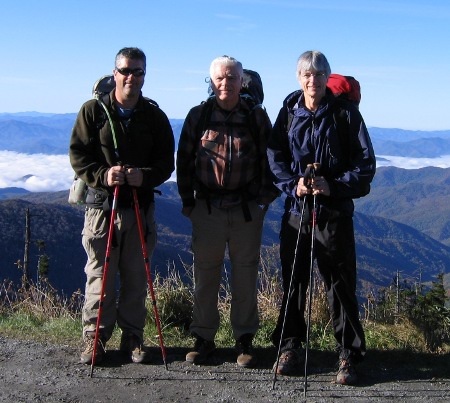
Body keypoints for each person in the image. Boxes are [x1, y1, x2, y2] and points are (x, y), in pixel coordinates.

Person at [267, 50, 376, 385]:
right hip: (297, 211)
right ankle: (289, 346)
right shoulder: (288, 114)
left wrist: (333, 186)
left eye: (318, 74)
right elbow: (275, 159)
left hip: (333, 213)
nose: (312, 80)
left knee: (340, 285)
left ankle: (348, 355)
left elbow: (365, 166)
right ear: (299, 78)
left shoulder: (345, 115)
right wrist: (293, 184)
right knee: (294, 282)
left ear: (327, 77)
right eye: (306, 74)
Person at [69, 47, 175, 365]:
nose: (131, 77)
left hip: (139, 207)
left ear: (145, 75)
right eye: (126, 70)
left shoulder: (154, 116)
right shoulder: (93, 112)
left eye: (138, 72)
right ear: (114, 72)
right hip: (102, 208)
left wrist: (144, 177)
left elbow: (165, 163)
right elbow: (78, 155)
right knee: (100, 274)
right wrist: (104, 174)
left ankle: (132, 338)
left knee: (135, 275)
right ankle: (95, 339)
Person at [176, 55, 278, 368]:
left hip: (246, 209)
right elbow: (184, 159)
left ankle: (244, 340)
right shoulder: (199, 115)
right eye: (220, 78)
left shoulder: (255, 116)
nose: (226, 83)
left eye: (232, 77)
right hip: (207, 208)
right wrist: (188, 202)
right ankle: (204, 338)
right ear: (211, 81)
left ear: (241, 81)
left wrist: (264, 201)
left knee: (245, 275)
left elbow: (272, 159)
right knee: (205, 276)